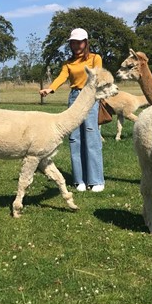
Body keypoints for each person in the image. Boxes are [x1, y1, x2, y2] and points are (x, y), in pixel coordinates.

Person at [39, 28, 106, 192]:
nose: (76, 45)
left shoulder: (95, 58)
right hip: (75, 97)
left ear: (86, 42)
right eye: (73, 42)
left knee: (91, 134)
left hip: (89, 96)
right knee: (75, 138)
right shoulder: (68, 63)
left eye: (79, 42)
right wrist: (50, 89)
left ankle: (96, 180)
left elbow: (98, 75)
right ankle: (79, 180)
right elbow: (61, 77)